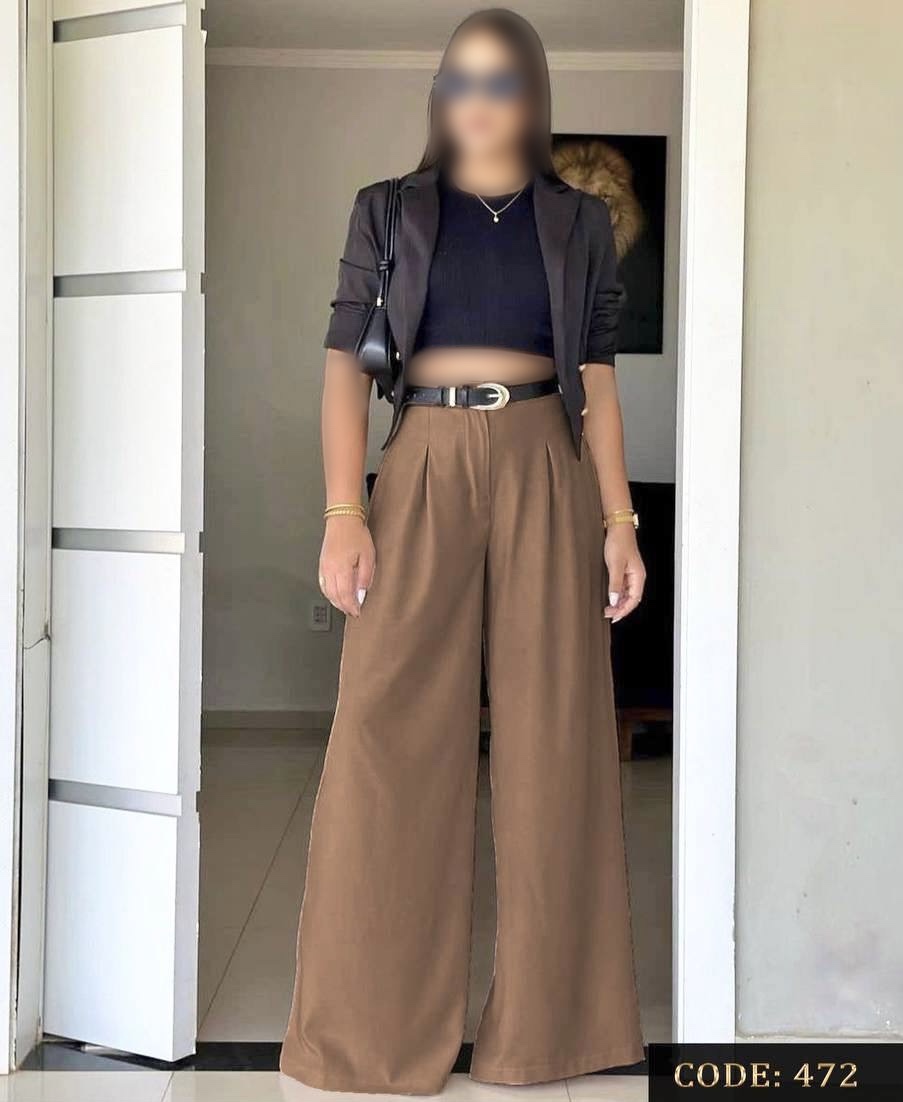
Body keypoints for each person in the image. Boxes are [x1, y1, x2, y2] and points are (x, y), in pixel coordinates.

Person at [281, 8, 646, 1093]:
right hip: (425, 458)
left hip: (545, 459)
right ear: (441, 96)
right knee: (387, 733)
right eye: (461, 81)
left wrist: (619, 523)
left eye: (502, 82)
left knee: (557, 740)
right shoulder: (389, 210)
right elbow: (345, 362)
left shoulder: (577, 221)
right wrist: (343, 510)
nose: (479, 101)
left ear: (533, 97)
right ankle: (368, 1037)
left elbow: (598, 381)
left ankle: (552, 1033)